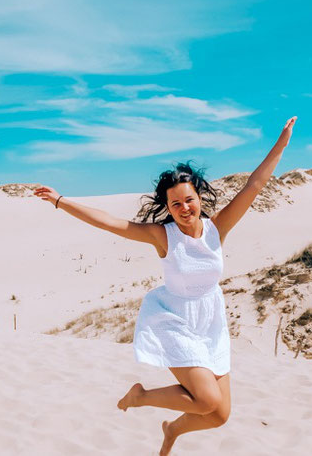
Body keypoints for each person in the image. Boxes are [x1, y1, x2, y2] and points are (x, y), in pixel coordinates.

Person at [34, 116, 297, 455]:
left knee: (219, 415)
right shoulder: (164, 236)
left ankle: (172, 430)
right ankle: (140, 396)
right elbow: (112, 223)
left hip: (211, 320)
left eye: (189, 200)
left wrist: (282, 143)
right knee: (205, 398)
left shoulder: (217, 228)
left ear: (199, 197)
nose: (184, 208)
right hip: (174, 318)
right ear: (168, 209)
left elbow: (254, 185)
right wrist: (60, 201)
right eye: (176, 204)